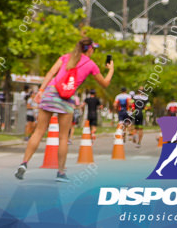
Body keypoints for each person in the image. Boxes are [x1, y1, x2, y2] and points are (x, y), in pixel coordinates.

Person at [16, 38, 114, 182]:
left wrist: (41, 90)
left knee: (39, 131)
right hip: (66, 97)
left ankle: (24, 163)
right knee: (63, 137)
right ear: (90, 49)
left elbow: (51, 73)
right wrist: (110, 70)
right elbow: (105, 83)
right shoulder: (91, 65)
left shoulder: (65, 57)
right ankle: (60, 172)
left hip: (50, 92)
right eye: (94, 49)